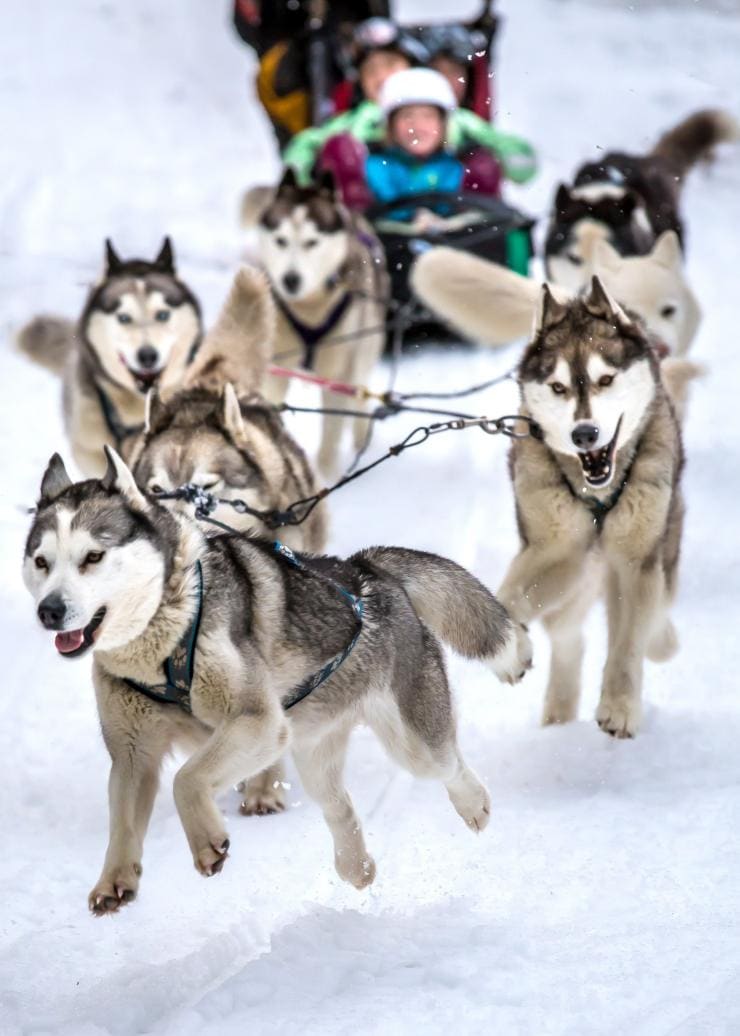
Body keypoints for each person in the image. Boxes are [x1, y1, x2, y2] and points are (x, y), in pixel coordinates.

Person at [284, 17, 537, 208]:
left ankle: (479, 228)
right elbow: (312, 142)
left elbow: (504, 150)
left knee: (482, 166)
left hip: (448, 205)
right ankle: (356, 222)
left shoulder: (448, 112)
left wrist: (503, 159)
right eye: (371, 72)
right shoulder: (359, 122)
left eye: (391, 65)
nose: (381, 76)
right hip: (380, 199)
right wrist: (301, 178)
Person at [365, 67, 505, 224]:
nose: (418, 126)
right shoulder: (372, 169)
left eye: (428, 116)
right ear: (390, 126)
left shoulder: (458, 170)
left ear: (443, 125)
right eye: (407, 116)